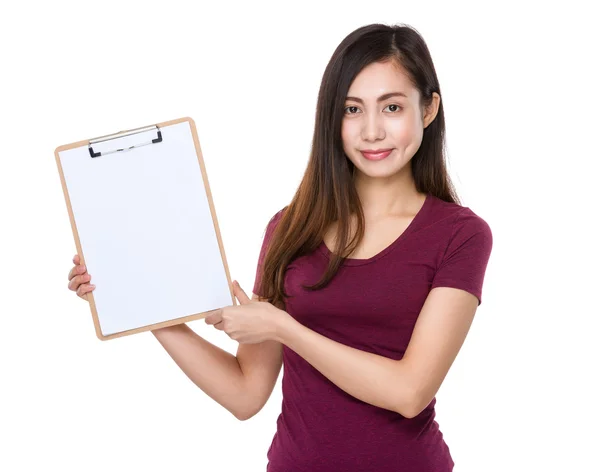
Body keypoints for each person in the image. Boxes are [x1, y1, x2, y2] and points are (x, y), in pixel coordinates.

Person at [67, 23, 493, 472]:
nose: (371, 131)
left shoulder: (460, 235)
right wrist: (141, 305)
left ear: (428, 110)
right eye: (351, 109)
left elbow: (409, 393)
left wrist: (284, 328)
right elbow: (246, 393)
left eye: (391, 107)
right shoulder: (289, 229)